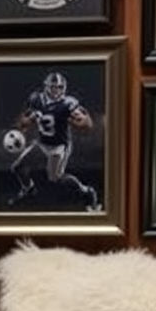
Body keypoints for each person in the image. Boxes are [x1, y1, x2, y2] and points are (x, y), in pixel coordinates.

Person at [7, 70, 100, 210]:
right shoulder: (36, 99)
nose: (57, 90)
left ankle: (87, 192)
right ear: (46, 87)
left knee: (55, 178)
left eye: (60, 87)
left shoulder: (68, 103)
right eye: (53, 86)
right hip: (42, 142)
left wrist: (78, 121)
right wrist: (28, 120)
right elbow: (21, 121)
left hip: (59, 146)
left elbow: (88, 124)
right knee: (17, 167)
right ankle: (28, 189)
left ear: (64, 88)